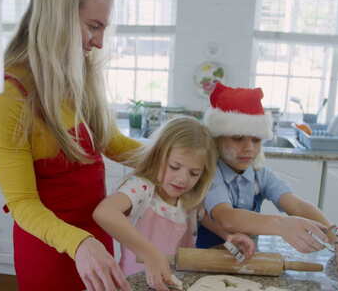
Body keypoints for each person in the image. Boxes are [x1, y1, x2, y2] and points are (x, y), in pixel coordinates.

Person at [0, 0, 142, 290]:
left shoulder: (76, 73)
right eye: (93, 26)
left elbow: (112, 142)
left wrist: (176, 157)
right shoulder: (6, 94)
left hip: (96, 235)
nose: (100, 42)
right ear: (58, 19)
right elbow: (22, 203)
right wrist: (80, 244)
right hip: (51, 249)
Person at [197, 83, 338, 291]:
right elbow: (226, 217)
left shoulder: (259, 173)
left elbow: (297, 206)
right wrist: (282, 225)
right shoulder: (210, 172)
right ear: (217, 139)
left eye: (256, 140)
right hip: (205, 259)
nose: (249, 147)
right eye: (238, 138)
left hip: (246, 259)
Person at [93, 117, 256, 291]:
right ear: (158, 156)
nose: (182, 179)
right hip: (137, 283)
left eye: (194, 173)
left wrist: (228, 237)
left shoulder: (188, 198)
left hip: (177, 283)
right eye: (175, 166)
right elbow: (104, 213)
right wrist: (149, 253)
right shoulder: (142, 189)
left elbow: (204, 216)